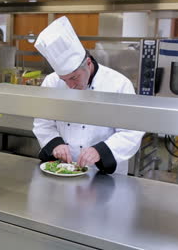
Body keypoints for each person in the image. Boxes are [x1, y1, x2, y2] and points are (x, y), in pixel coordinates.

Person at [32, 16, 144, 174]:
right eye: (64, 80)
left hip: (103, 174)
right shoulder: (51, 82)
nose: (70, 85)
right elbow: (43, 122)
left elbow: (132, 131)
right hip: (63, 168)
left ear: (89, 64)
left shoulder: (118, 84)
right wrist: (55, 143)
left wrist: (101, 151)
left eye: (74, 78)